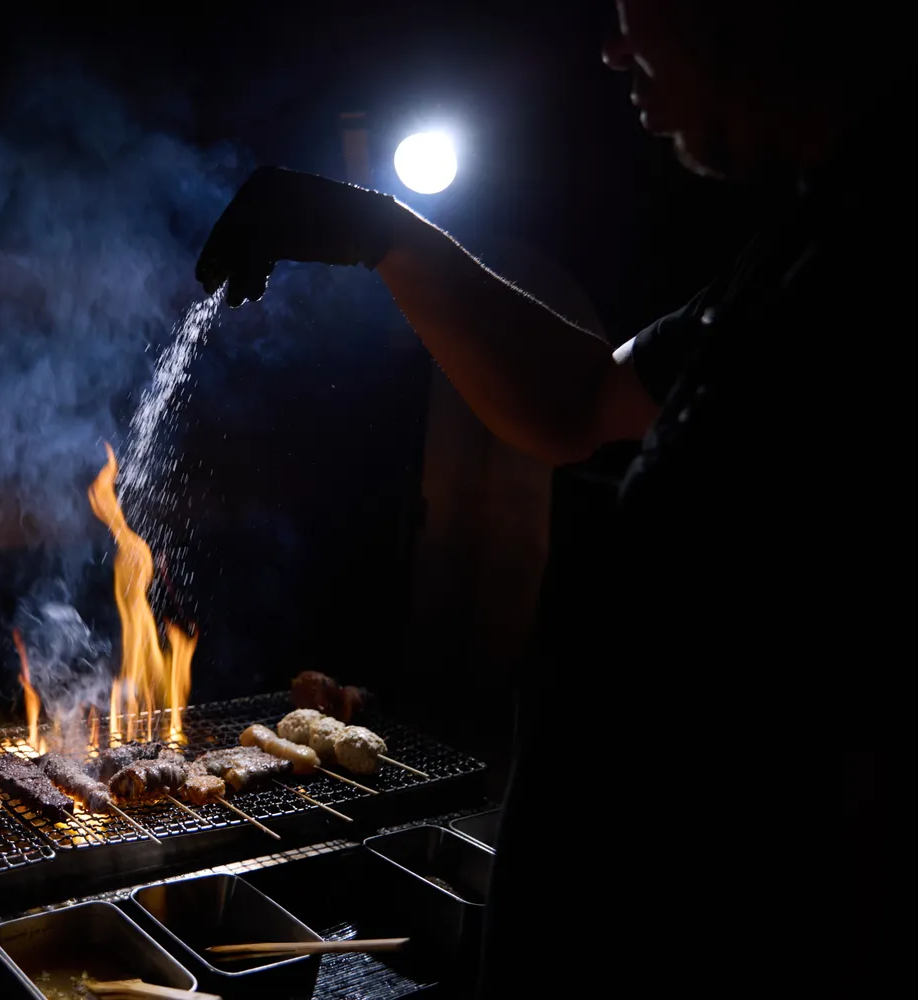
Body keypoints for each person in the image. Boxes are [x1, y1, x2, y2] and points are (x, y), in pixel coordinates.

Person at [195, 2, 898, 995]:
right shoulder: (794, 257)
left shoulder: (886, 268)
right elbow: (580, 400)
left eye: (630, 6)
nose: (611, 46)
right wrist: (378, 232)